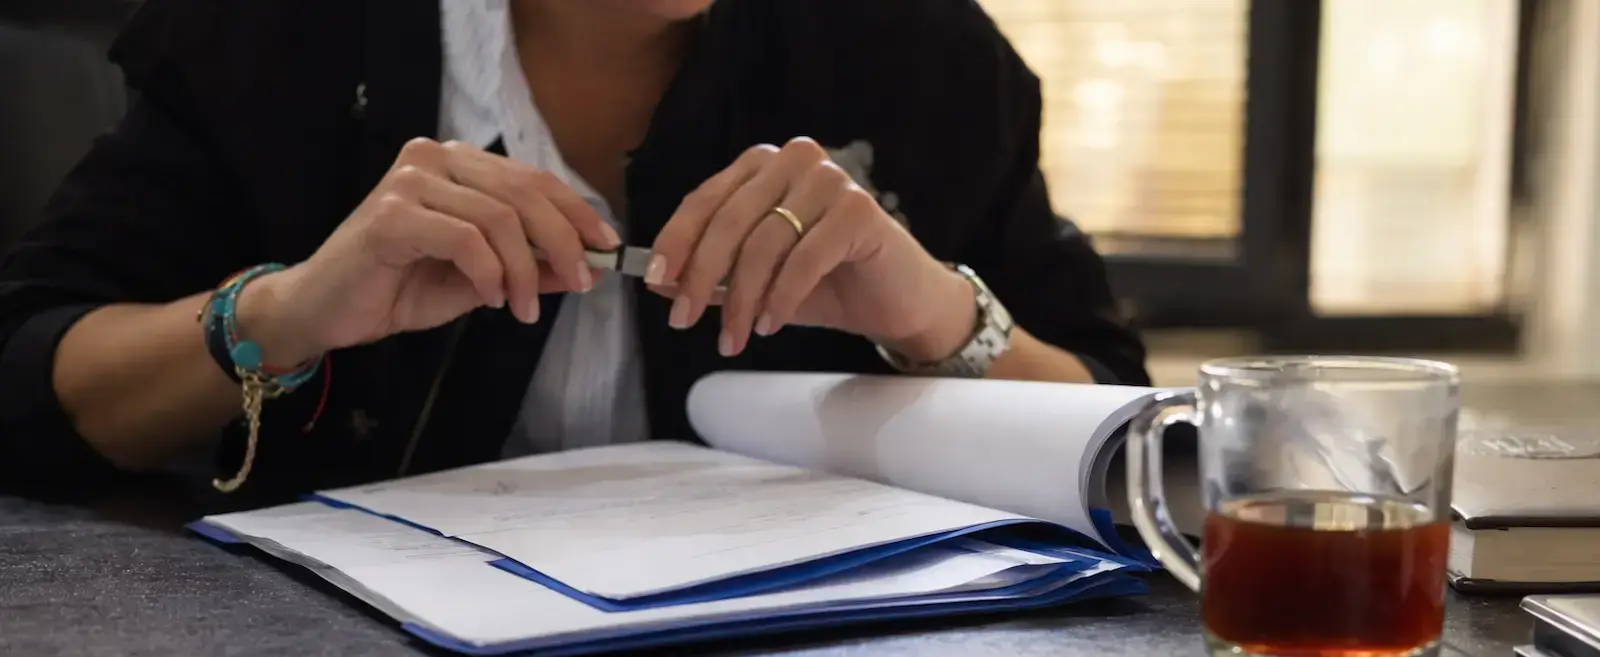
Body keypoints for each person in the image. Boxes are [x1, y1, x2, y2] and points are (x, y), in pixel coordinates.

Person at [0, 0, 1148, 498]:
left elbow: (1141, 454)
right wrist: (285, 315)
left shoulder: (914, 53)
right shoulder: (280, 32)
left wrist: (935, 318)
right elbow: (28, 370)